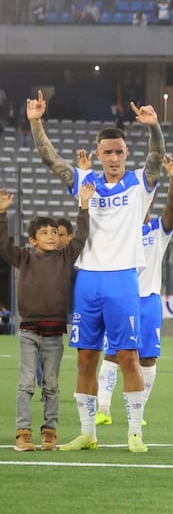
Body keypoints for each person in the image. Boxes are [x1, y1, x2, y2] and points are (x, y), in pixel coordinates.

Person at [28, 90, 163, 454]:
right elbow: (50, 158)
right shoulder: (85, 182)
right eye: (108, 152)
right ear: (99, 154)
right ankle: (88, 432)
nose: (114, 158)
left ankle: (135, 432)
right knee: (86, 357)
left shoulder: (139, 184)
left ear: (125, 153)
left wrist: (154, 127)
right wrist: (35, 121)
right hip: (87, 280)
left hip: (122, 279)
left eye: (119, 151)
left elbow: (155, 159)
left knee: (128, 357)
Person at [0, 184, 92, 451]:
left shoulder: (65, 257)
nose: (51, 236)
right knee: (26, 383)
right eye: (44, 233)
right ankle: (23, 432)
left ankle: (49, 431)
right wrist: (2, 213)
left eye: (54, 232)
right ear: (32, 240)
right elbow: (2, 244)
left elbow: (82, 236)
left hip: (53, 334)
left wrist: (84, 206)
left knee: (51, 385)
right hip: (29, 332)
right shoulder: (24, 258)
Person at [96, 154, 173, 429]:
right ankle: (104, 409)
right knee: (112, 354)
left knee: (147, 358)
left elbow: (172, 208)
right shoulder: (118, 229)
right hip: (121, 297)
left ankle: (137, 409)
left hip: (149, 300)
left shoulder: (157, 230)